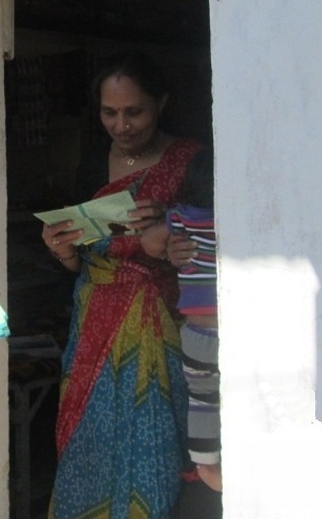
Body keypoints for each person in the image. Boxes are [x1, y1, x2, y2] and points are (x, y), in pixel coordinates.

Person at [41, 51, 201, 519]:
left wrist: (171, 234)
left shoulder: (192, 163)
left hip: (162, 327)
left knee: (153, 443)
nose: (122, 125)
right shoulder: (91, 165)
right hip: (93, 328)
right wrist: (64, 253)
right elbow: (86, 258)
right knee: (87, 439)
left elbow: (212, 248)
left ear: (162, 103)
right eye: (109, 113)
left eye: (135, 111)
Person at [141, 149, 222, 496]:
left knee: (203, 398)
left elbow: (148, 241)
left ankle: (206, 466)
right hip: (237, 332)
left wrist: (169, 231)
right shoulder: (238, 216)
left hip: (196, 333)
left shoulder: (182, 218)